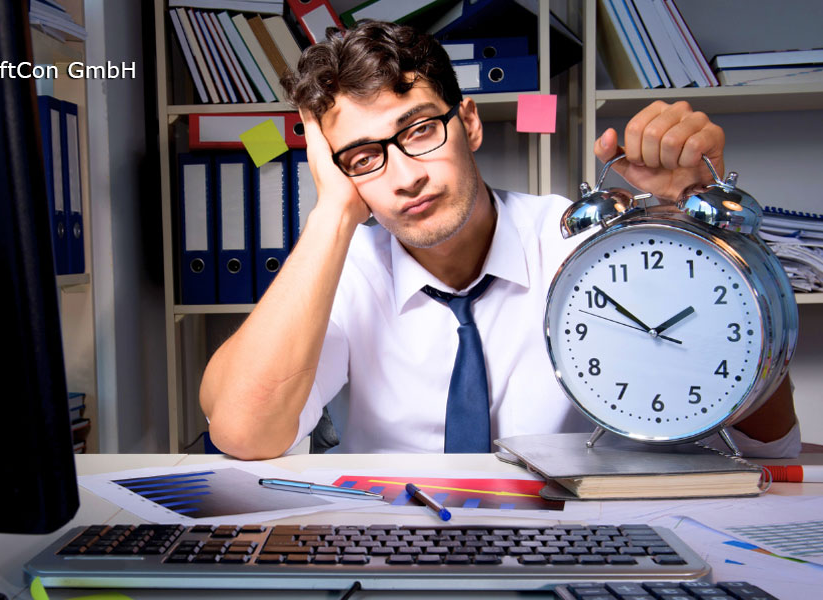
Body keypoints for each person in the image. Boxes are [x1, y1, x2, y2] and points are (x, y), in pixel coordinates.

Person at [199, 21, 800, 460]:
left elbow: (766, 443)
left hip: (580, 539)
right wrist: (332, 212)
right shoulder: (348, 269)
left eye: (420, 130)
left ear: (469, 123)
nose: (406, 176)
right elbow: (245, 432)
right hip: (397, 551)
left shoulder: (591, 251)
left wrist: (693, 238)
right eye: (363, 156)